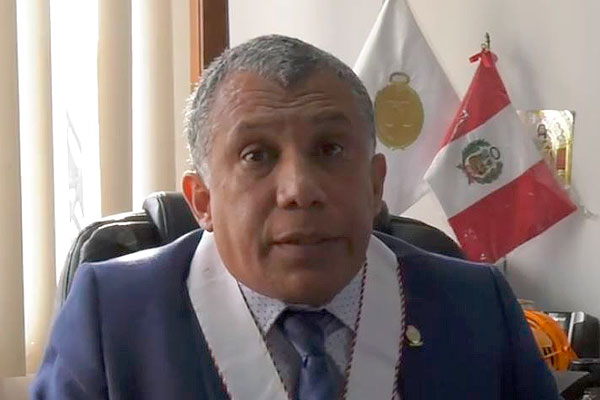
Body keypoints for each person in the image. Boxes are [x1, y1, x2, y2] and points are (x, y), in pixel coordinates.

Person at [31, 35, 560, 399]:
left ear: (375, 184)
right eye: (256, 155)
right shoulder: (111, 318)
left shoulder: (477, 307)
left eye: (330, 149)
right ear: (202, 202)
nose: (300, 190)